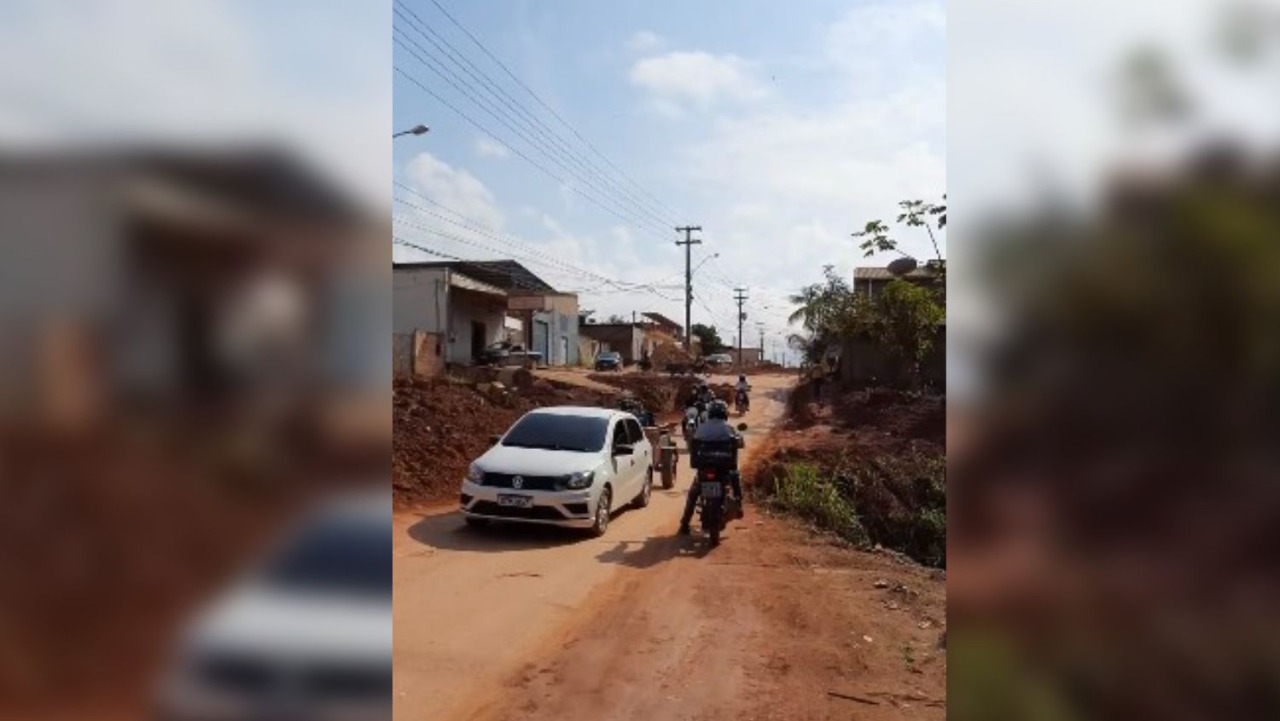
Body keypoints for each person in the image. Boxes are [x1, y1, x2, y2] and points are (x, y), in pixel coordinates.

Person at [679, 400, 744, 535]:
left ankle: (685, 524)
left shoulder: (702, 427)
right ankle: (739, 507)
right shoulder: (729, 428)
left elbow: (693, 442)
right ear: (724, 414)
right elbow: (740, 442)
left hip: (704, 468)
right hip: (723, 469)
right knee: (735, 477)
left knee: (693, 495)